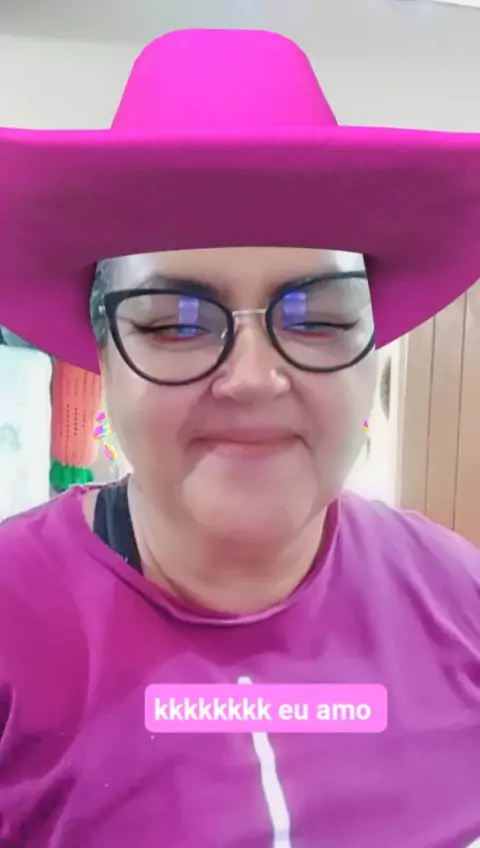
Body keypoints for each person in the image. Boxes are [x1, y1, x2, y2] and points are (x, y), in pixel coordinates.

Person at [0, 28, 480, 848]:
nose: (254, 378)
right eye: (175, 322)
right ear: (103, 356)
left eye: (318, 315)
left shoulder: (462, 605)